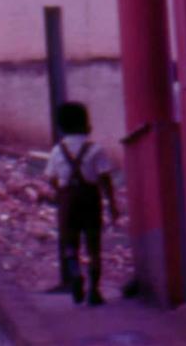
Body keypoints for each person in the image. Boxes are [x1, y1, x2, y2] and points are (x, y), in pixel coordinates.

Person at [47, 101, 119, 306]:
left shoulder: (57, 150)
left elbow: (51, 178)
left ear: (61, 126)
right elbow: (105, 178)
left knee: (70, 242)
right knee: (94, 244)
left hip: (67, 198)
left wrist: (62, 190)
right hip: (90, 197)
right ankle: (94, 291)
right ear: (86, 124)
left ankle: (75, 273)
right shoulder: (95, 149)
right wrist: (111, 204)